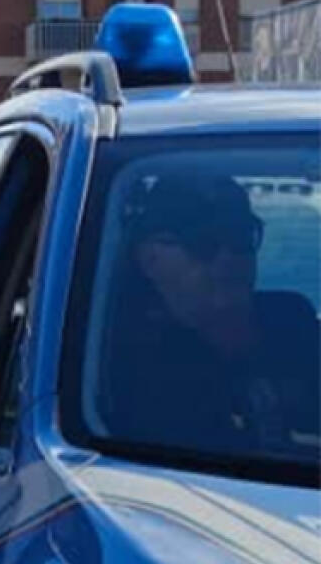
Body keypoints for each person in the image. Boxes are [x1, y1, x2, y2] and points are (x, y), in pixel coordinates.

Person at [109, 174, 319, 460]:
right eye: (202, 242)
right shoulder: (116, 368)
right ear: (149, 257)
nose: (227, 258)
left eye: (240, 237)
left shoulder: (292, 324)